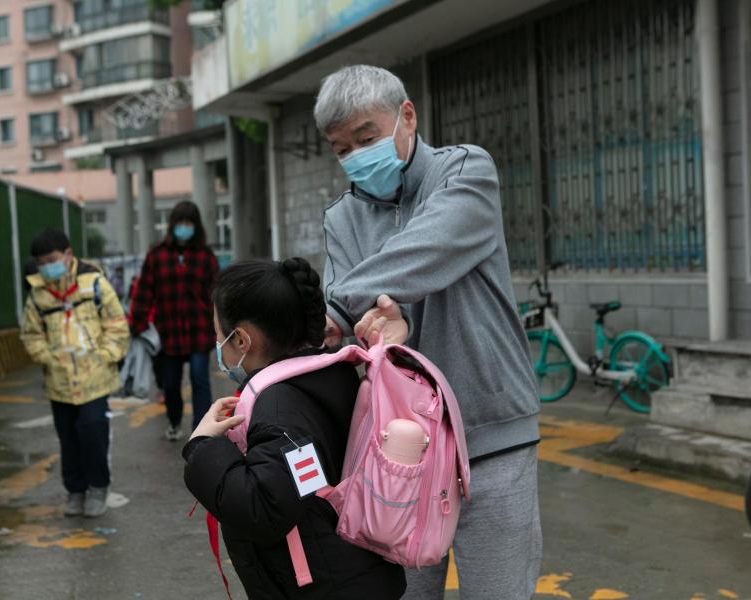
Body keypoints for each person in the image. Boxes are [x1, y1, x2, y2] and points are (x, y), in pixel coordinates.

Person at [316, 65, 542, 598]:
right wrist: (358, 314)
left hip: (492, 432)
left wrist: (357, 303)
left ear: (407, 116)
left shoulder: (465, 171)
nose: (355, 158)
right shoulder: (341, 218)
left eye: (365, 138)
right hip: (399, 448)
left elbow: (429, 251)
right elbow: (345, 328)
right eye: (341, 148)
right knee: (404, 594)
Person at [182, 258, 406, 599]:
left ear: (242, 341)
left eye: (218, 334)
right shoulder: (329, 370)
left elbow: (266, 508)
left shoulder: (278, 407)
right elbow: (304, 480)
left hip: (325, 585)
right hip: (354, 570)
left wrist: (202, 447)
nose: (217, 344)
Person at [20, 228, 130, 518]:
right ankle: (75, 491)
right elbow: (31, 334)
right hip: (59, 382)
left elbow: (117, 324)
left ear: (68, 254)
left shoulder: (94, 284)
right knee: (67, 438)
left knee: (93, 432)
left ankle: (97, 487)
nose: (47, 267)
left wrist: (105, 356)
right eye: (41, 262)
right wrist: (48, 358)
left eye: (52, 259)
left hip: (95, 380)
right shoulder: (38, 296)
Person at [130, 201, 218, 441]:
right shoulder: (157, 255)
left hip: (199, 330)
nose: (184, 228)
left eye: (189, 223)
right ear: (172, 225)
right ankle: (174, 420)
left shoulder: (205, 256)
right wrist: (136, 323)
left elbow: (218, 293)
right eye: (180, 223)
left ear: (196, 226)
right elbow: (144, 291)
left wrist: (223, 327)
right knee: (170, 384)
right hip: (167, 333)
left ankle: (202, 430)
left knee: (200, 380)